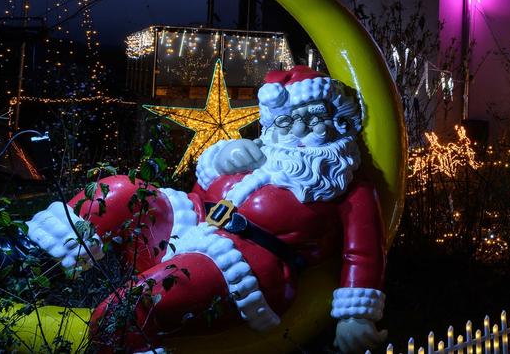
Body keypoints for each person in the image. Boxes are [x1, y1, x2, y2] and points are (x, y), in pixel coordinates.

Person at [22, 66, 387, 353]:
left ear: (339, 119)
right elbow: (200, 193)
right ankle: (27, 265)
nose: (301, 128)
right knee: (118, 191)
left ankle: (117, 336)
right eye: (289, 121)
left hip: (240, 265)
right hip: (191, 224)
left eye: (312, 117)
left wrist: (356, 316)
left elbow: (363, 253)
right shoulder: (260, 156)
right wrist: (222, 160)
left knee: (124, 311)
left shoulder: (346, 183)